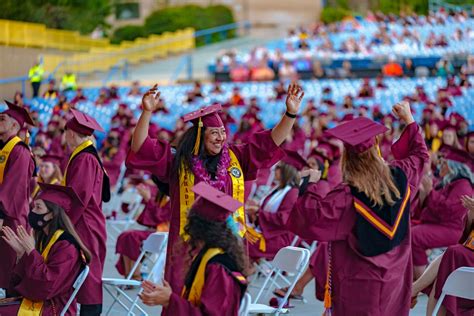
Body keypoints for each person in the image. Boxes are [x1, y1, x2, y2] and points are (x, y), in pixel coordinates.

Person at [126, 83, 304, 301]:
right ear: (200, 135)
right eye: (214, 133)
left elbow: (269, 143)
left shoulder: (235, 158)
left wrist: (290, 113)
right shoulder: (178, 162)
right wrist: (146, 112)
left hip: (227, 242)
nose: (221, 137)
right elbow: (141, 146)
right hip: (188, 243)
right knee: (183, 300)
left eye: (222, 132)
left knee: (219, 300)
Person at [287, 101, 429, 315]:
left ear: (347, 157)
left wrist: (309, 184)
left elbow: (311, 219)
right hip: (395, 282)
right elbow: (419, 155)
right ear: (376, 149)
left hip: (360, 286)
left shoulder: (346, 197)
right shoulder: (401, 176)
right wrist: (409, 119)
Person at [139, 182, 248, 315]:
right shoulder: (207, 255)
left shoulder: (219, 266)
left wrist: (170, 300)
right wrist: (167, 297)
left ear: (197, 227)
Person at [0, 183, 91, 315]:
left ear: (51, 214)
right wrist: (22, 255)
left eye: (38, 207)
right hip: (40, 302)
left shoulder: (66, 246)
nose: (33, 212)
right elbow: (27, 284)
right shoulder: (47, 238)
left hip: (53, 308)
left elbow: (46, 286)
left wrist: (31, 252)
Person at [62, 108, 111, 315]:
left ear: (71, 133)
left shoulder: (85, 159)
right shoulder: (86, 155)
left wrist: (62, 222)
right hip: (88, 222)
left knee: (89, 274)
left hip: (85, 224)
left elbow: (78, 197)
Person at [412, 154, 474, 279]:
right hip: (440, 224)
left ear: (454, 167)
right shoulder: (447, 182)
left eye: (445, 163)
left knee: (415, 236)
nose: (441, 165)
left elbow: (448, 211)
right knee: (407, 228)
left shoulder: (463, 185)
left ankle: (421, 282)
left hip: (453, 229)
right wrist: (424, 195)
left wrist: (430, 192)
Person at [412, 195, 474, 315]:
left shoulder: (462, 182)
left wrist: (429, 193)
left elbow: (448, 211)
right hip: (466, 247)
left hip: (451, 231)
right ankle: (413, 290)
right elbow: (468, 232)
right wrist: (472, 214)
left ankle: (413, 290)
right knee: (447, 261)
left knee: (451, 255)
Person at [0, 101, 36, 290]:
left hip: (10, 219)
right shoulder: (3, 148)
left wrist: (0, 214)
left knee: (8, 269)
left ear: (15, 125)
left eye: (2, 118)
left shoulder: (20, 152)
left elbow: (12, 190)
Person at [245, 150, 303, 261]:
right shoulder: (278, 190)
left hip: (278, 239)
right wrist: (256, 213)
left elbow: (284, 219)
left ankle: (243, 272)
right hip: (268, 233)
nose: (273, 170)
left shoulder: (293, 193)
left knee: (243, 243)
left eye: (278, 167)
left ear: (286, 171)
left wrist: (258, 213)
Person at [115, 179, 171, 279]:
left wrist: (148, 199)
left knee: (132, 236)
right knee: (125, 235)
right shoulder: (161, 194)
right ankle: (129, 274)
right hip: (153, 231)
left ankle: (135, 275)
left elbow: (160, 217)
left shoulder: (174, 199)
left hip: (164, 234)